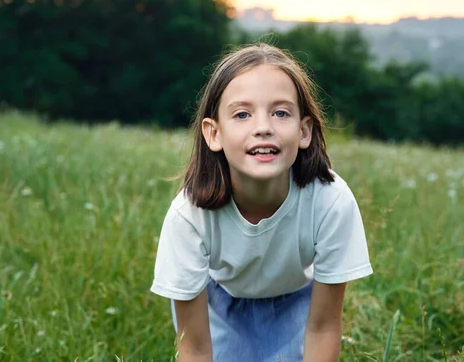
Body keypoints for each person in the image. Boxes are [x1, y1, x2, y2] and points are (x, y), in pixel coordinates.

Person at [150, 43, 373, 361]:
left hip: (296, 302)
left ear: (304, 130)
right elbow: (195, 348)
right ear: (214, 134)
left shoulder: (331, 201)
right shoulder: (189, 216)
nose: (263, 128)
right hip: (220, 305)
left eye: (281, 112)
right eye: (242, 114)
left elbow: (323, 326)